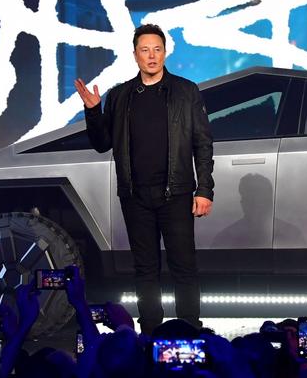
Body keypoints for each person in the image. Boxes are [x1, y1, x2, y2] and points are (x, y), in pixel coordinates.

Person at [75, 23, 214, 334]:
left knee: (184, 267)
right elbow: (102, 143)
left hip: (176, 193)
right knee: (145, 269)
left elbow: (202, 143)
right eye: (144, 50)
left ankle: (189, 329)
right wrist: (93, 112)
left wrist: (204, 189)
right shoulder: (120, 95)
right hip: (135, 195)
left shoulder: (185, 91)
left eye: (157, 49)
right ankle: (150, 332)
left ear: (165, 52)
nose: (151, 56)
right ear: (135, 55)